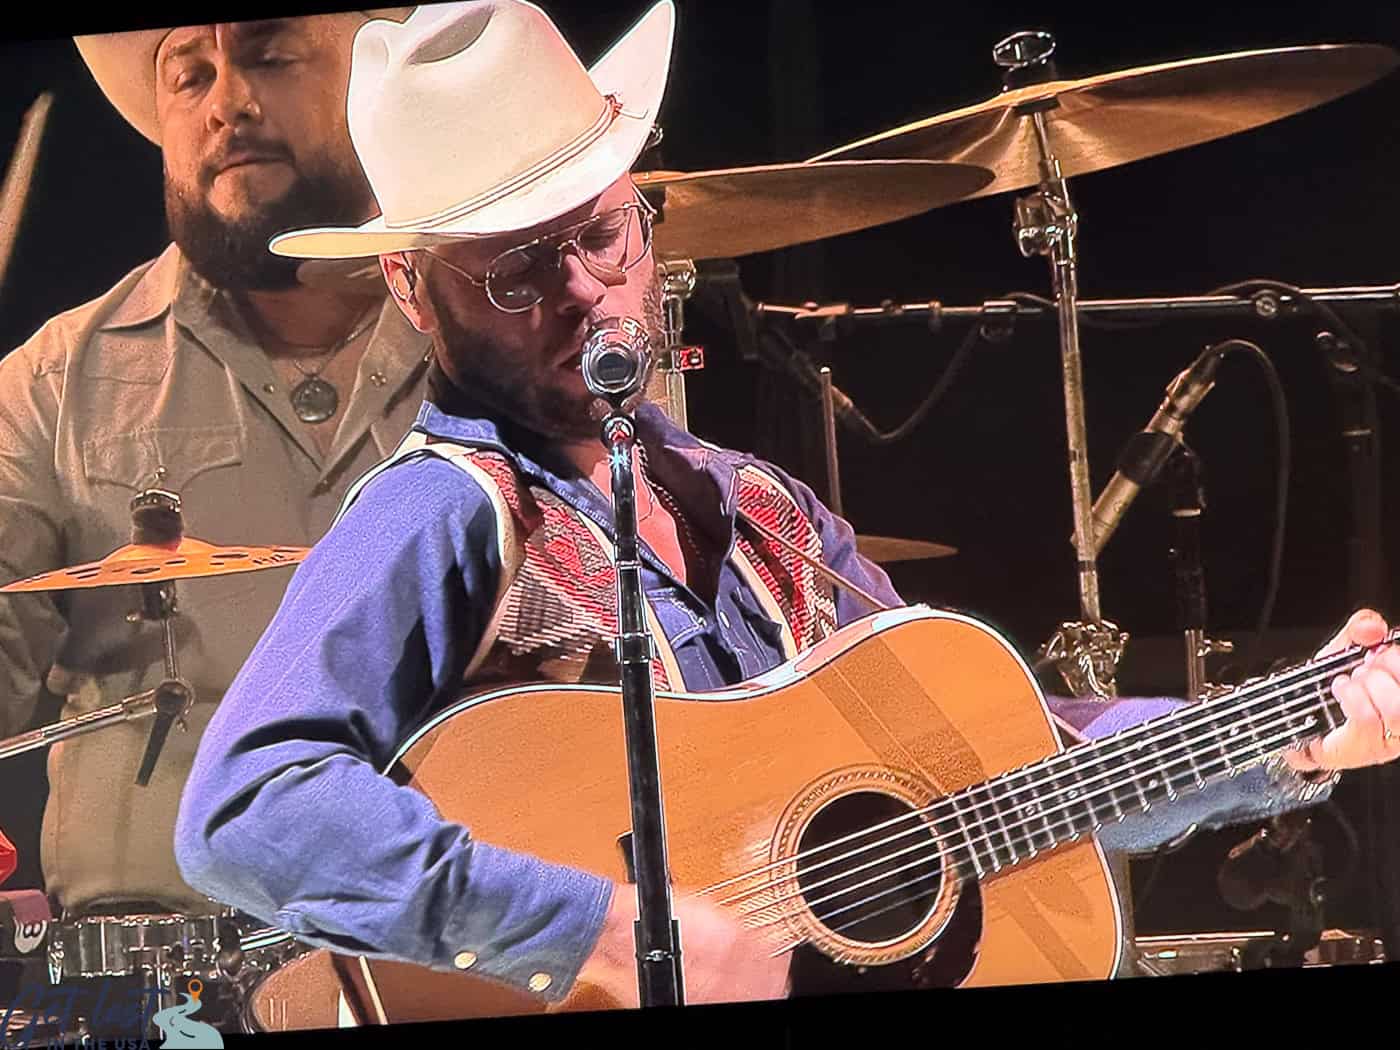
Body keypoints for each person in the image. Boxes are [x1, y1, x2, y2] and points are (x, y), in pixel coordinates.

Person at [174, 0, 1400, 1013]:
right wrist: (597, 929)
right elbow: (242, 812)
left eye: (602, 235)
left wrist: (1278, 735)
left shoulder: (757, 508)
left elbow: (1003, 759)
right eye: (512, 268)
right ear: (407, 286)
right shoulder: (440, 515)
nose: (584, 295)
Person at [0, 8, 430, 1023]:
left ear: (376, 83)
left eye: (270, 56)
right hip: (146, 999)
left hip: (457, 961)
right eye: (186, 76)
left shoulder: (494, 344)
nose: (226, 102)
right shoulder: (55, 380)